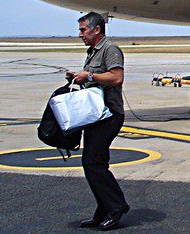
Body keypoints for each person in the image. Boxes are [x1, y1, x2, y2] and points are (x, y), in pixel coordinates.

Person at [65, 12, 129, 230]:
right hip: (96, 115)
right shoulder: (93, 52)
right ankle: (104, 209)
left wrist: (89, 76)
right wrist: (79, 78)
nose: (80, 34)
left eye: (83, 30)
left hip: (109, 115)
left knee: (93, 162)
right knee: (93, 163)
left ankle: (116, 206)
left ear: (96, 29)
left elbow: (117, 77)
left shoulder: (110, 49)